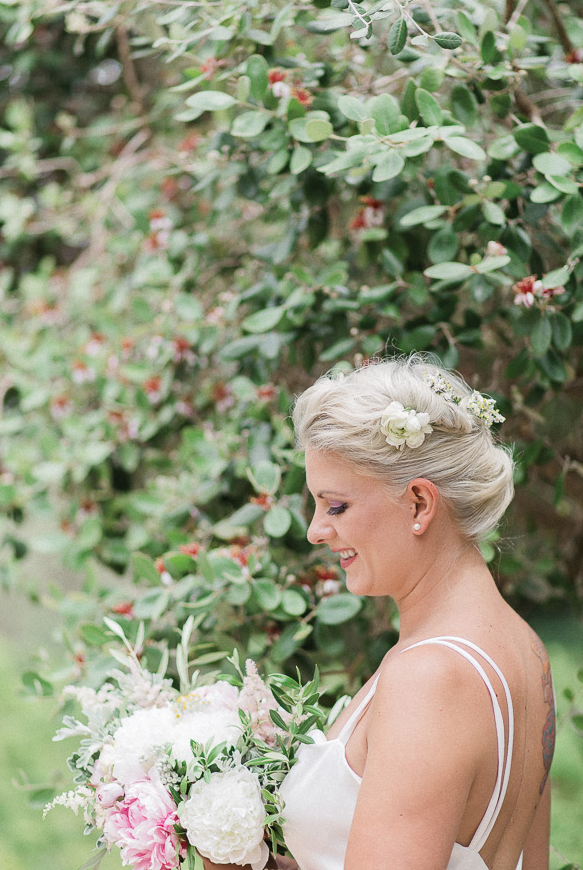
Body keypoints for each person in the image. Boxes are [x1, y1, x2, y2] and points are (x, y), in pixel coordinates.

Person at [202, 355, 555, 870]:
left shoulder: (429, 677)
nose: (315, 531)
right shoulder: (524, 647)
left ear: (418, 504)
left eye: (336, 506)